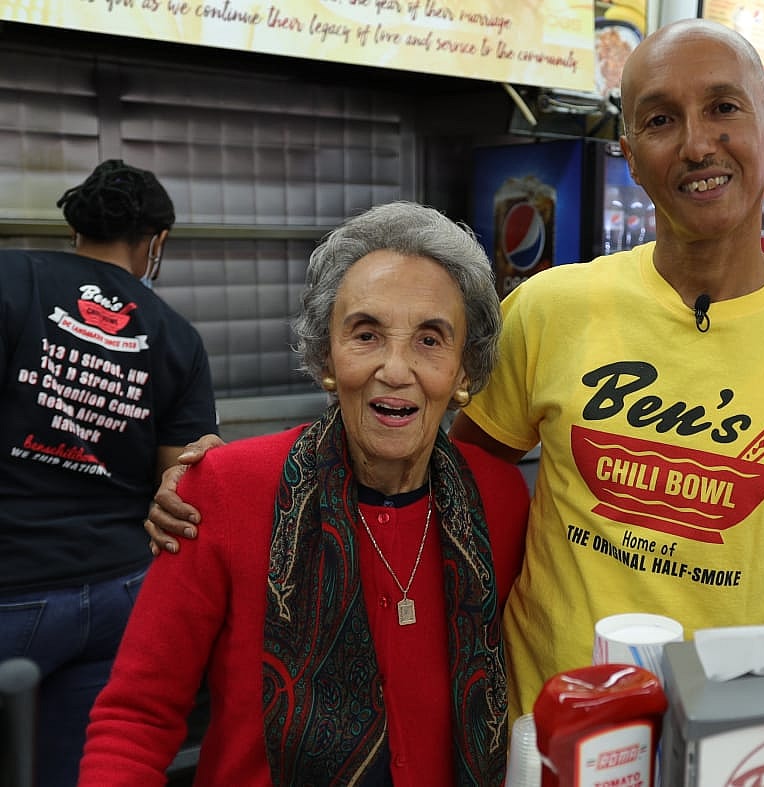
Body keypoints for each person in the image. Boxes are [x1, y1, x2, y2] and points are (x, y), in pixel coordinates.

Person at [147, 19, 764, 720]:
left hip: (721, 732)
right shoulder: (550, 307)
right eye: (662, 120)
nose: (698, 144)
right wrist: (238, 484)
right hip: (537, 728)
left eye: (724, 108)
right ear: (631, 155)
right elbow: (440, 488)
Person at [80, 202, 529, 785]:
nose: (395, 369)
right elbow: (135, 719)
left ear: (465, 371)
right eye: (366, 334)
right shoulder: (223, 489)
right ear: (326, 357)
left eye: (429, 340)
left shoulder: (499, 498)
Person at [0, 159, 218, 786]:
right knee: (80, 771)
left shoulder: (13, 281)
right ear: (157, 242)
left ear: (77, 228)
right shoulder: (176, 335)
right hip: (120, 597)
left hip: (13, 585)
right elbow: (188, 480)